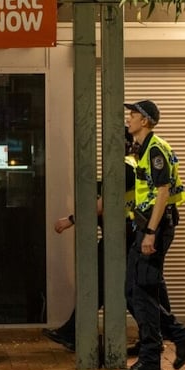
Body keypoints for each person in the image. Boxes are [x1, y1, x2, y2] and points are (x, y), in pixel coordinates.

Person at [119, 100, 185, 370]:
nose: (128, 119)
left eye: (132, 115)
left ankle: (151, 361)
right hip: (146, 227)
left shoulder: (155, 149)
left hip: (153, 229)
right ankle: (181, 335)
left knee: (141, 294)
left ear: (145, 121)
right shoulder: (144, 149)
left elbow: (163, 192)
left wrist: (151, 233)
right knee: (134, 292)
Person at [42, 128, 139, 352]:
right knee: (106, 287)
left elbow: (102, 206)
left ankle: (165, 332)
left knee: (120, 289)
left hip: (120, 237)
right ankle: (72, 332)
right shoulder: (128, 164)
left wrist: (71, 219)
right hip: (121, 235)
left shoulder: (123, 167)